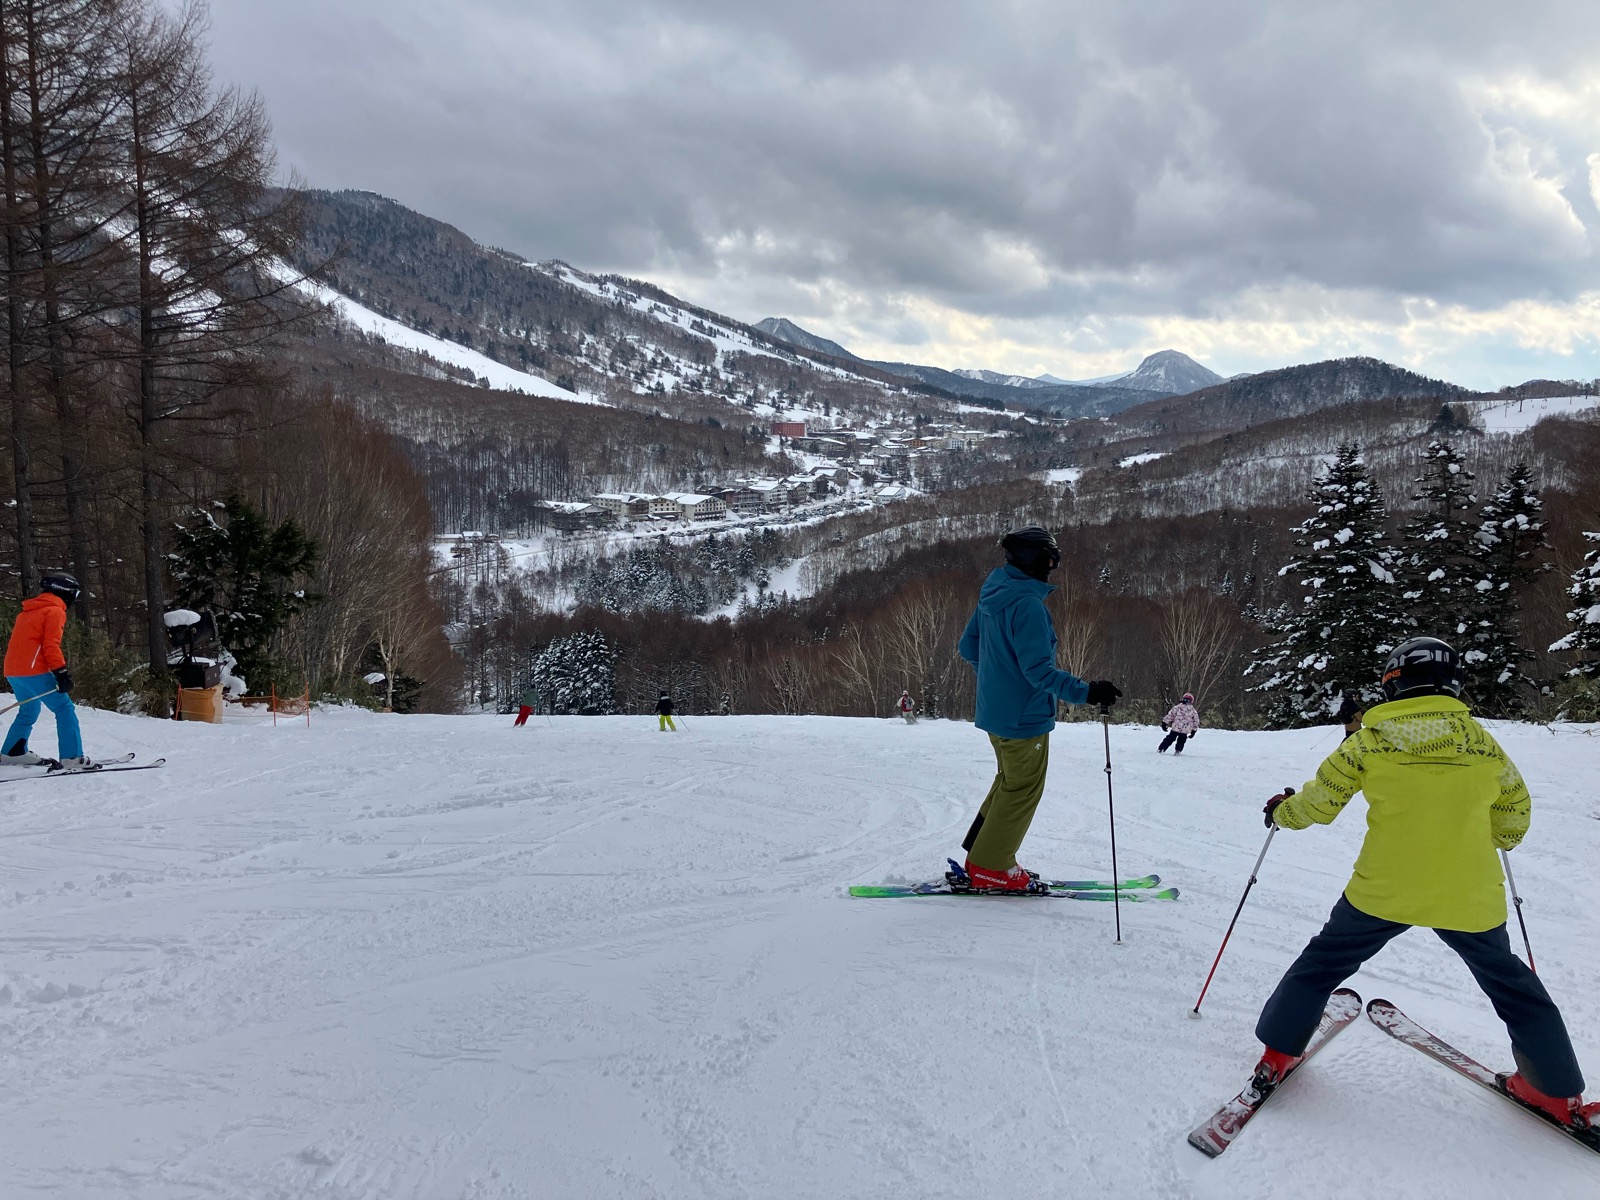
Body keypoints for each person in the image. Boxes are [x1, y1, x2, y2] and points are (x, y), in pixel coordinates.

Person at [1251, 636, 1597, 1130]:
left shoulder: (1367, 741)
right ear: (1453, 683)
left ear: (1392, 683)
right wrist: (1496, 834)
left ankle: (1278, 1052)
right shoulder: (1482, 743)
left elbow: (1320, 803)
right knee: (1515, 988)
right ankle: (1554, 1090)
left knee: (1320, 966)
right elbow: (1515, 810)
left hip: (1383, 889)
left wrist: (1282, 813)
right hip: (1469, 894)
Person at [956, 526, 1121, 892]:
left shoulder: (995, 592)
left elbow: (969, 647)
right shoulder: (1027, 604)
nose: (1052, 567)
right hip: (1023, 718)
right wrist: (1088, 692)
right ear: (1036, 560)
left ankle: (980, 854)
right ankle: (990, 867)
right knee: (1022, 789)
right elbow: (1038, 672)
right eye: (1050, 559)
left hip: (994, 713)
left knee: (1008, 782)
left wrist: (998, 681)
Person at [2, 572, 90, 770]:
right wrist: (61, 672)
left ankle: (12, 752)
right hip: (34, 671)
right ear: (65, 592)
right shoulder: (54, 611)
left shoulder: (27, 611)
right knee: (64, 709)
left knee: (29, 710)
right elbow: (51, 645)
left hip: (13, 670)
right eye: (75, 595)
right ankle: (73, 758)